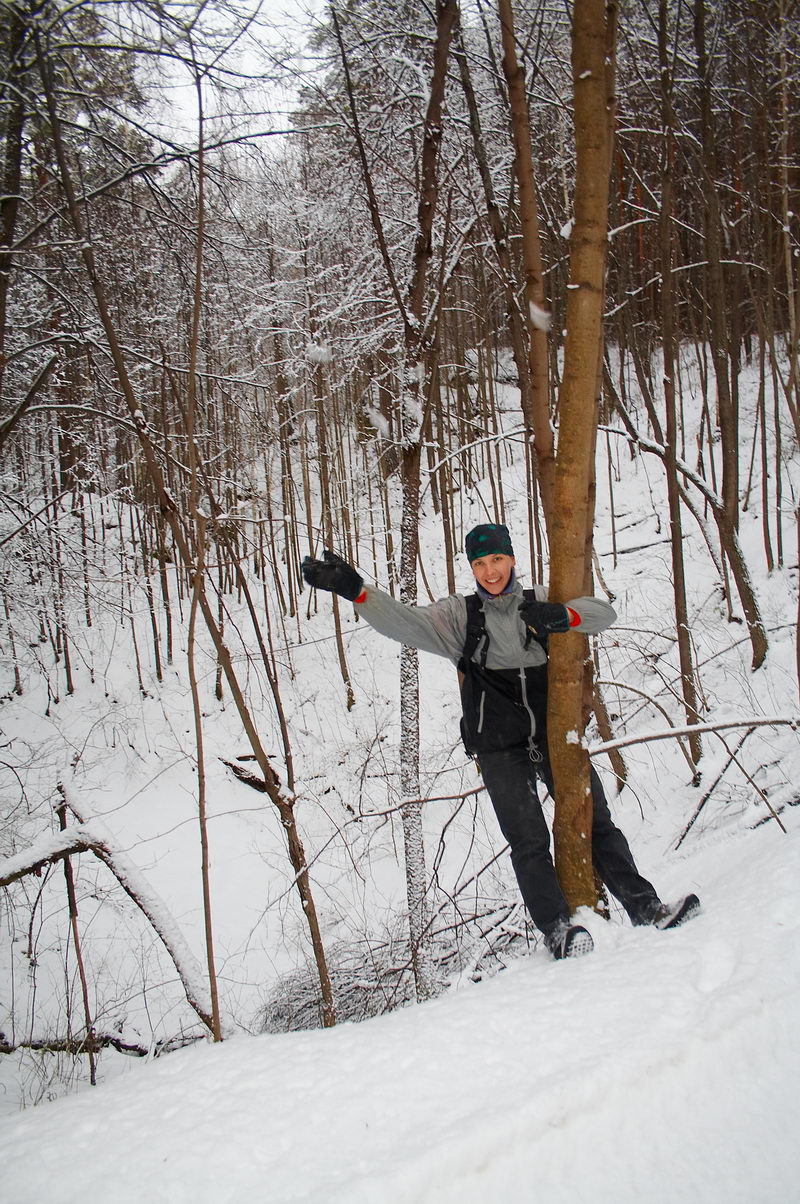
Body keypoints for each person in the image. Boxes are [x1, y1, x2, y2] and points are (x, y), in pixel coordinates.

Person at [301, 523, 700, 960]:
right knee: (528, 839)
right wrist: (356, 591)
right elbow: (405, 624)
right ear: (472, 568)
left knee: (596, 820)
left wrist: (564, 617)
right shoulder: (460, 616)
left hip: (554, 736)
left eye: (496, 559)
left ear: (511, 558)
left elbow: (604, 615)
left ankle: (647, 908)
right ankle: (559, 930)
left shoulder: (541, 599)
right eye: (479, 563)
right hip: (498, 747)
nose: (490, 571)